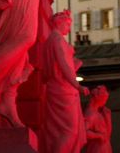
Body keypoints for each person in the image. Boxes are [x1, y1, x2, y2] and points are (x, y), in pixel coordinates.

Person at [38, 11, 86, 153]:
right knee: (69, 131)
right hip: (63, 90)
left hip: (57, 88)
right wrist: (77, 86)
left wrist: (75, 65)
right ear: (60, 23)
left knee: (60, 131)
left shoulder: (49, 41)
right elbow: (64, 66)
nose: (69, 28)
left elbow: (51, 70)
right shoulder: (57, 40)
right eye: (68, 24)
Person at [82, 85, 112, 153]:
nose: (105, 102)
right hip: (97, 148)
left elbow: (107, 135)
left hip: (104, 147)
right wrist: (98, 136)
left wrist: (108, 118)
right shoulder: (90, 113)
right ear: (99, 98)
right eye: (105, 99)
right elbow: (84, 132)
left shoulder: (98, 113)